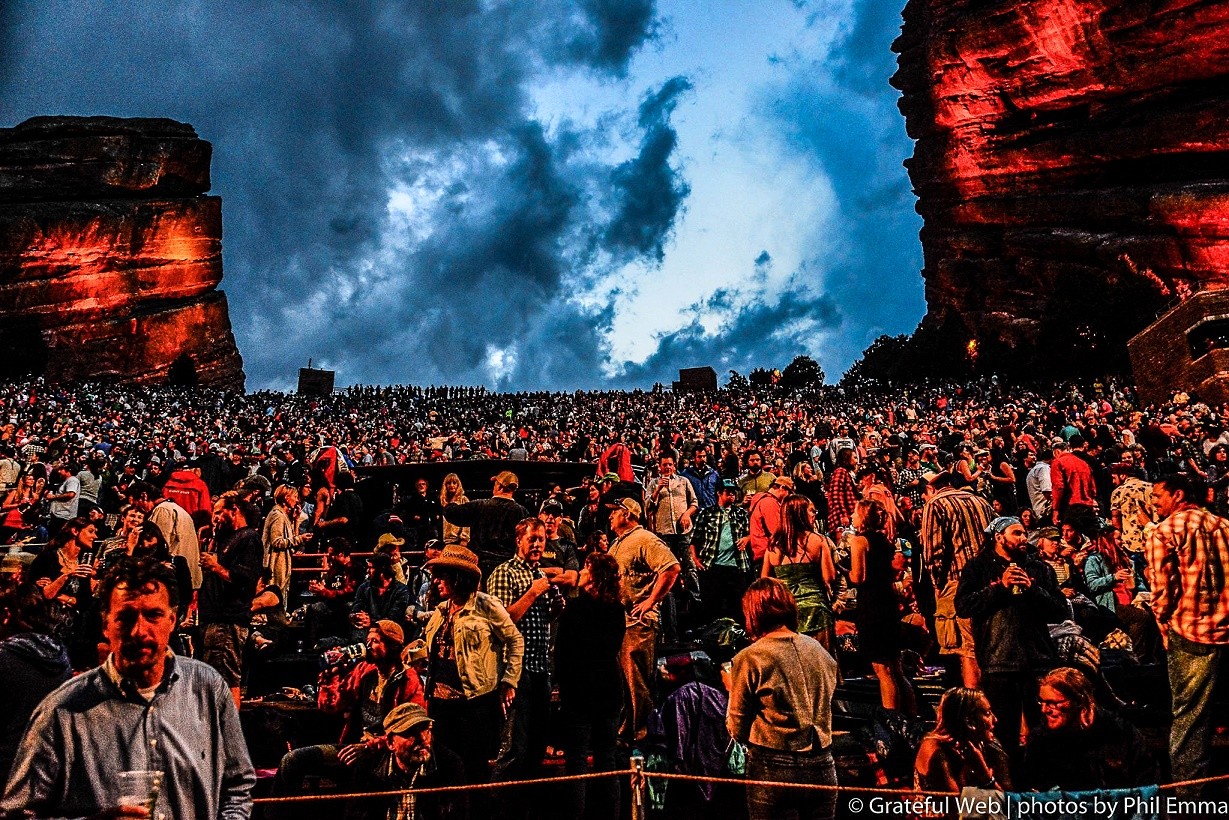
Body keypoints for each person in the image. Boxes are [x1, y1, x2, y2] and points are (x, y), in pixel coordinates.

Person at [1, 556, 255, 819]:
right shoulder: (61, 712)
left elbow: (237, 787)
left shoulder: (208, 688)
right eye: (126, 617)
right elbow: (17, 814)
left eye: (153, 615)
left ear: (172, 620)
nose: (139, 631)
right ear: (105, 625)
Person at [273, 620, 425, 813]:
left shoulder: (408, 679)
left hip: (386, 754)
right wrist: (330, 676)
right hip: (353, 747)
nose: (368, 646)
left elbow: (413, 730)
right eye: (368, 640)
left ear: (393, 646)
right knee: (292, 760)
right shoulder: (365, 671)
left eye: (376, 641)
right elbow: (331, 705)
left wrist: (371, 746)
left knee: (360, 775)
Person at [955, 516, 1068, 763]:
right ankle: (1008, 787)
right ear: (998, 537)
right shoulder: (978, 568)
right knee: (1002, 734)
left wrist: (1033, 589)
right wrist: (1000, 588)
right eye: (1016, 533)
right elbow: (963, 606)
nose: (1023, 539)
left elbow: (1060, 611)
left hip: (1037, 660)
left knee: (1044, 733)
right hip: (998, 662)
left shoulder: (1039, 568)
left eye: (1024, 534)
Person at [1145, 472, 1229, 799]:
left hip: (1192, 633)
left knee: (1190, 717)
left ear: (1177, 495)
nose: (1154, 503)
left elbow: (1162, 594)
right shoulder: (1224, 526)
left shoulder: (1164, 532)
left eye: (1157, 497)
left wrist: (1164, 628)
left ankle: (1190, 794)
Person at [726, 577, 839, 820]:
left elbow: (736, 728)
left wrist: (730, 687)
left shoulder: (751, 657)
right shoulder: (818, 650)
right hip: (823, 763)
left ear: (753, 613)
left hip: (772, 766)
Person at [422, 544, 523, 785]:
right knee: (444, 768)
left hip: (473, 703)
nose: (437, 581)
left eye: (443, 576)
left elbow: (515, 639)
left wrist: (509, 680)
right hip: (439, 703)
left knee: (472, 768)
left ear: (458, 578)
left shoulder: (486, 605)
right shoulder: (440, 610)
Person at [486, 517, 563, 784]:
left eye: (541, 539)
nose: (538, 544)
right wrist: (531, 594)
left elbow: (541, 622)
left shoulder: (540, 574)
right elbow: (500, 624)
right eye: (532, 539)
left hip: (541, 668)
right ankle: (499, 806)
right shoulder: (504, 573)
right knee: (513, 749)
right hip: (515, 671)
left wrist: (554, 607)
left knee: (536, 747)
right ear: (519, 540)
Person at [556, 552, 625, 820]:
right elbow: (611, 649)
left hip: (579, 692)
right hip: (608, 689)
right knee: (606, 760)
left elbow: (562, 654)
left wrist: (563, 686)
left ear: (593, 575)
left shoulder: (574, 609)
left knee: (577, 762)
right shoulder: (617, 610)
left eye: (585, 569)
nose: (580, 573)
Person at [607, 497, 680, 743]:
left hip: (638, 623)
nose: (610, 516)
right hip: (621, 623)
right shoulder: (619, 543)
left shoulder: (645, 539)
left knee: (636, 681)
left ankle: (641, 736)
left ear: (627, 514)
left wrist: (650, 601)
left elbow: (671, 568)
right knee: (625, 682)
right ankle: (628, 731)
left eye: (615, 511)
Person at [1022, 667, 1157, 791]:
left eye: (1053, 703)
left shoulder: (1118, 732)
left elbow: (1146, 781)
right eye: (1042, 701)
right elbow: (1035, 788)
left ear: (1079, 701)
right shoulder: (1041, 740)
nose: (1044, 709)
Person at [919, 471, 994, 688]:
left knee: (967, 650)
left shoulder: (935, 504)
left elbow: (934, 552)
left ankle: (974, 705)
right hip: (988, 582)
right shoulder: (981, 501)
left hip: (957, 583)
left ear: (930, 488)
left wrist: (937, 585)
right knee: (987, 645)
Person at [346, 702, 470, 820]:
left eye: (426, 730)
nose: (423, 738)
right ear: (390, 742)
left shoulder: (448, 765)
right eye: (411, 733)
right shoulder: (368, 769)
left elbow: (457, 815)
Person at [848, 500, 914, 714]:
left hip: (871, 605)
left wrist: (842, 570)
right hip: (888, 605)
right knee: (896, 668)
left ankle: (892, 722)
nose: (851, 517)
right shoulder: (884, 540)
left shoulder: (859, 541)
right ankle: (911, 716)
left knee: (882, 670)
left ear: (864, 517)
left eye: (855, 513)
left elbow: (858, 577)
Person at [200, 493, 264, 709]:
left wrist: (216, 567)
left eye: (219, 512)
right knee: (212, 681)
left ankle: (229, 734)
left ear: (234, 510)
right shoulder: (225, 538)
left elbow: (245, 578)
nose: (215, 518)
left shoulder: (248, 538)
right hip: (214, 620)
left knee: (225, 680)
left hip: (227, 620)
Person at [0, 591, 72, 782]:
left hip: (7, 768)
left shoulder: (5, 658)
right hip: (48, 770)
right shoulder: (60, 657)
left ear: (6, 615)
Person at [762, 495, 836, 651]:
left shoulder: (773, 544)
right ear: (800, 513)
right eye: (811, 510)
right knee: (823, 662)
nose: (814, 514)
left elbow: (765, 581)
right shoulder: (818, 540)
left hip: (787, 612)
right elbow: (830, 577)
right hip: (817, 610)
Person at [28, 515, 100, 670]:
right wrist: (67, 576)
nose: (95, 536)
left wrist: (61, 597)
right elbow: (38, 592)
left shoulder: (84, 562)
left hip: (74, 629)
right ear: (75, 531)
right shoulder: (48, 557)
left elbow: (85, 600)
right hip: (46, 626)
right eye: (91, 531)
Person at [914, 687, 1011, 793]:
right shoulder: (935, 751)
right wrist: (984, 775)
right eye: (987, 713)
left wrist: (985, 775)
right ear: (969, 722)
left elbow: (1008, 800)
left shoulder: (986, 745)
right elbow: (955, 805)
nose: (995, 719)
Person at [441, 470, 530, 579]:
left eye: (495, 484)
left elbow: (450, 513)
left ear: (499, 487)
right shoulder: (522, 512)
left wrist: (454, 498)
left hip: (480, 566)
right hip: (508, 568)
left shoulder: (480, 505)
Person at [689, 479, 752, 624]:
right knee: (712, 606)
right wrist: (696, 559)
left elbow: (750, 533)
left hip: (736, 566)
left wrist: (746, 539)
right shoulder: (706, 513)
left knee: (737, 607)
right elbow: (695, 540)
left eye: (733, 493)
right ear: (719, 493)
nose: (732, 495)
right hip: (712, 567)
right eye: (728, 492)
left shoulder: (741, 513)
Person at [129, 479, 202, 590]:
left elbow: (158, 548)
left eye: (136, 505)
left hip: (176, 581)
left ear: (144, 496)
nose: (137, 510)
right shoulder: (173, 508)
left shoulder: (162, 510)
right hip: (186, 577)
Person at [351, 553, 413, 641]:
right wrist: (357, 616)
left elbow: (394, 616)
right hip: (365, 629)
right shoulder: (364, 587)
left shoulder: (401, 590)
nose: (368, 571)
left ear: (381, 570)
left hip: (389, 631)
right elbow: (357, 606)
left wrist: (372, 622)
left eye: (371, 568)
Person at [263, 484, 312, 593]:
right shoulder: (278, 516)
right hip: (275, 566)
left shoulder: (283, 516)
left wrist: (296, 520)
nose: (296, 500)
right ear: (286, 497)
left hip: (282, 564)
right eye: (294, 497)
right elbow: (277, 542)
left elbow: (290, 539)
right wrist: (300, 538)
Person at [439, 473, 470, 546]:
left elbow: (468, 520)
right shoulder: (444, 501)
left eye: (454, 483)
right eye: (449, 483)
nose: (451, 485)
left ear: (458, 485)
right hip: (447, 540)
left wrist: (464, 538)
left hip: (459, 540)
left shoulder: (463, 500)